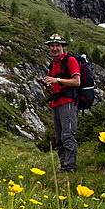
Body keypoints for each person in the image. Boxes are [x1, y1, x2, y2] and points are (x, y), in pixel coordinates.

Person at [40, 34, 81, 172]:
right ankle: (63, 165)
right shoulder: (53, 63)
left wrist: (56, 80)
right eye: (52, 46)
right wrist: (47, 84)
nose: (54, 48)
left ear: (63, 47)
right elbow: (55, 83)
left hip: (68, 101)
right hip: (56, 102)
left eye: (57, 45)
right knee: (59, 137)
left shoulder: (70, 60)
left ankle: (69, 167)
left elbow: (77, 81)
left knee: (67, 134)